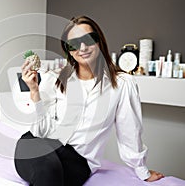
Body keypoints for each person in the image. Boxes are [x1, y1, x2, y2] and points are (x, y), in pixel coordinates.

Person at [14, 15, 164, 186]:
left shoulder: (122, 84)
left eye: (88, 39)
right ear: (68, 50)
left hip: (77, 161)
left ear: (99, 40)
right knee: (47, 167)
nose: (83, 47)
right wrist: (34, 91)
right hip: (36, 144)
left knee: (51, 172)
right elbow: (39, 131)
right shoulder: (57, 79)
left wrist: (142, 171)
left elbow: (130, 131)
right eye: (74, 44)